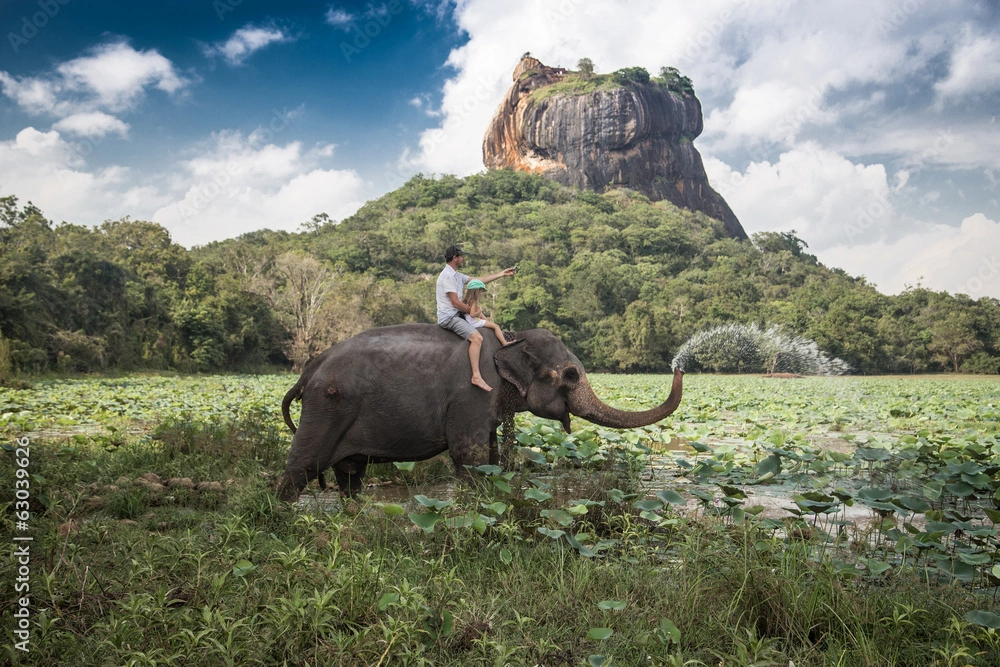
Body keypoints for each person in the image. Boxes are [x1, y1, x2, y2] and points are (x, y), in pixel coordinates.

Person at [436, 245, 515, 391]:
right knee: (477, 338)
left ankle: (503, 341)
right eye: (461, 256)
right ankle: (476, 376)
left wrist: (501, 274)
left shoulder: (457, 276)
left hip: (458, 314)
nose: (463, 259)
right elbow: (455, 302)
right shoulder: (447, 276)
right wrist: (474, 313)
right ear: (455, 258)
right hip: (450, 317)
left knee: (487, 322)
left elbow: (478, 280)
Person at [463, 279, 510, 348]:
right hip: (473, 322)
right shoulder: (474, 301)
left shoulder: (466, 300)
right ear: (477, 291)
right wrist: (479, 311)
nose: (481, 293)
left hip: (468, 320)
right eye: (481, 291)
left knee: (487, 321)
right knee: (496, 326)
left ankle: (490, 325)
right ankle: (504, 343)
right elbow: (472, 314)